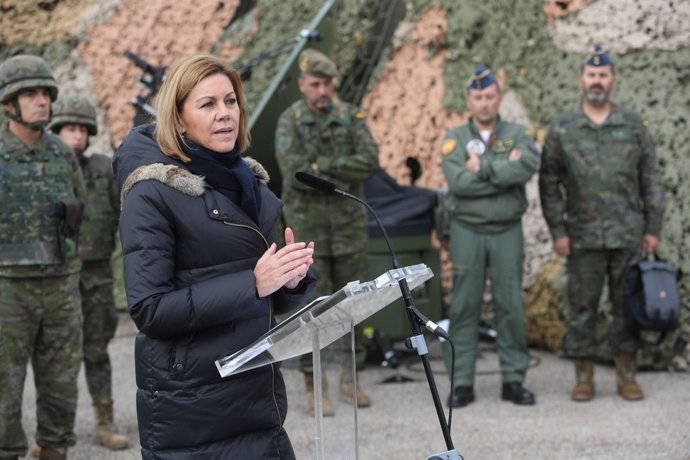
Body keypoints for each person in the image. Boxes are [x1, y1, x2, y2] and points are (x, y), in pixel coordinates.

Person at [113, 54, 316, 459]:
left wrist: (289, 282)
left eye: (231, 101)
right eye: (207, 105)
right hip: (192, 405)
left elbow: (266, 293)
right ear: (179, 117)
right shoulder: (150, 193)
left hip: (257, 396)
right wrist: (253, 284)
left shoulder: (251, 186)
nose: (224, 114)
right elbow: (150, 309)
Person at [539, 45, 665, 402]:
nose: (597, 81)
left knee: (627, 307)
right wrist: (558, 232)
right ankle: (584, 378)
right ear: (582, 80)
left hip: (628, 235)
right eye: (591, 75)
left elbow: (651, 181)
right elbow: (548, 184)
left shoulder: (633, 125)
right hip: (581, 237)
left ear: (613, 80)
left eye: (603, 75)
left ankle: (626, 375)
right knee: (582, 308)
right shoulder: (563, 128)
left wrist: (653, 228)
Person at [275, 48, 380, 415]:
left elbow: (370, 161)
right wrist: (331, 171)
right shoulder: (290, 121)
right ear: (303, 85)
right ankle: (313, 384)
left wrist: (324, 166)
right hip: (309, 232)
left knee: (354, 303)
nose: (322, 90)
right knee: (312, 308)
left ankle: (351, 380)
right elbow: (295, 175)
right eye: (315, 84)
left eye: (327, 84)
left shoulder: (351, 116)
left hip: (349, 230)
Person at [0, 55, 85, 460]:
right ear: (7, 104)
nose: (41, 102)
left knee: (61, 383)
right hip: (6, 290)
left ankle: (53, 450)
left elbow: (77, 211)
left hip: (59, 286)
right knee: (3, 387)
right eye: (29, 94)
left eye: (45, 93)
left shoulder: (62, 154)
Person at [440, 64, 539, 408]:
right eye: (478, 97)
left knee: (510, 305)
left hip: (507, 232)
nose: (484, 103)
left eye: (490, 96)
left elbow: (525, 167)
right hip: (467, 230)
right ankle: (463, 382)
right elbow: (458, 184)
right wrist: (501, 173)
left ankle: (513, 379)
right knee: (465, 307)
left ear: (499, 98)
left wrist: (480, 169)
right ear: (469, 99)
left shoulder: (519, 133)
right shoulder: (454, 138)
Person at [46, 96, 129, 450]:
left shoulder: (102, 168)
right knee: (53, 354)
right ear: (58, 131)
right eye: (69, 129)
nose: (76, 136)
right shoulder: (47, 167)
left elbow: (123, 214)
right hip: (55, 276)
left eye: (81, 129)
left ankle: (104, 422)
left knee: (96, 350)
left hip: (96, 275)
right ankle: (50, 431)